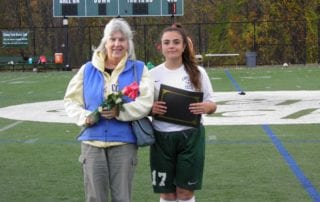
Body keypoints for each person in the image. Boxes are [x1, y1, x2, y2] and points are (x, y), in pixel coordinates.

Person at [64, 18, 154, 202]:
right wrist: (85, 116)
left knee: (122, 198)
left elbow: (146, 102)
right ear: (105, 42)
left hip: (124, 143)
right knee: (95, 198)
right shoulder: (87, 69)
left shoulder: (139, 69)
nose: (117, 44)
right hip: (92, 143)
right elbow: (70, 101)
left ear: (128, 43)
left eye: (122, 39)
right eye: (113, 39)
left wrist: (119, 112)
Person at [149, 25, 217, 202]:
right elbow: (140, 107)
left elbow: (212, 104)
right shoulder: (151, 75)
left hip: (191, 138)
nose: (171, 46)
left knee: (185, 193)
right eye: (167, 42)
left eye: (176, 42)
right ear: (160, 47)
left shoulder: (198, 72)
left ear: (184, 46)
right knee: (167, 193)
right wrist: (151, 109)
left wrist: (206, 107)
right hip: (161, 138)